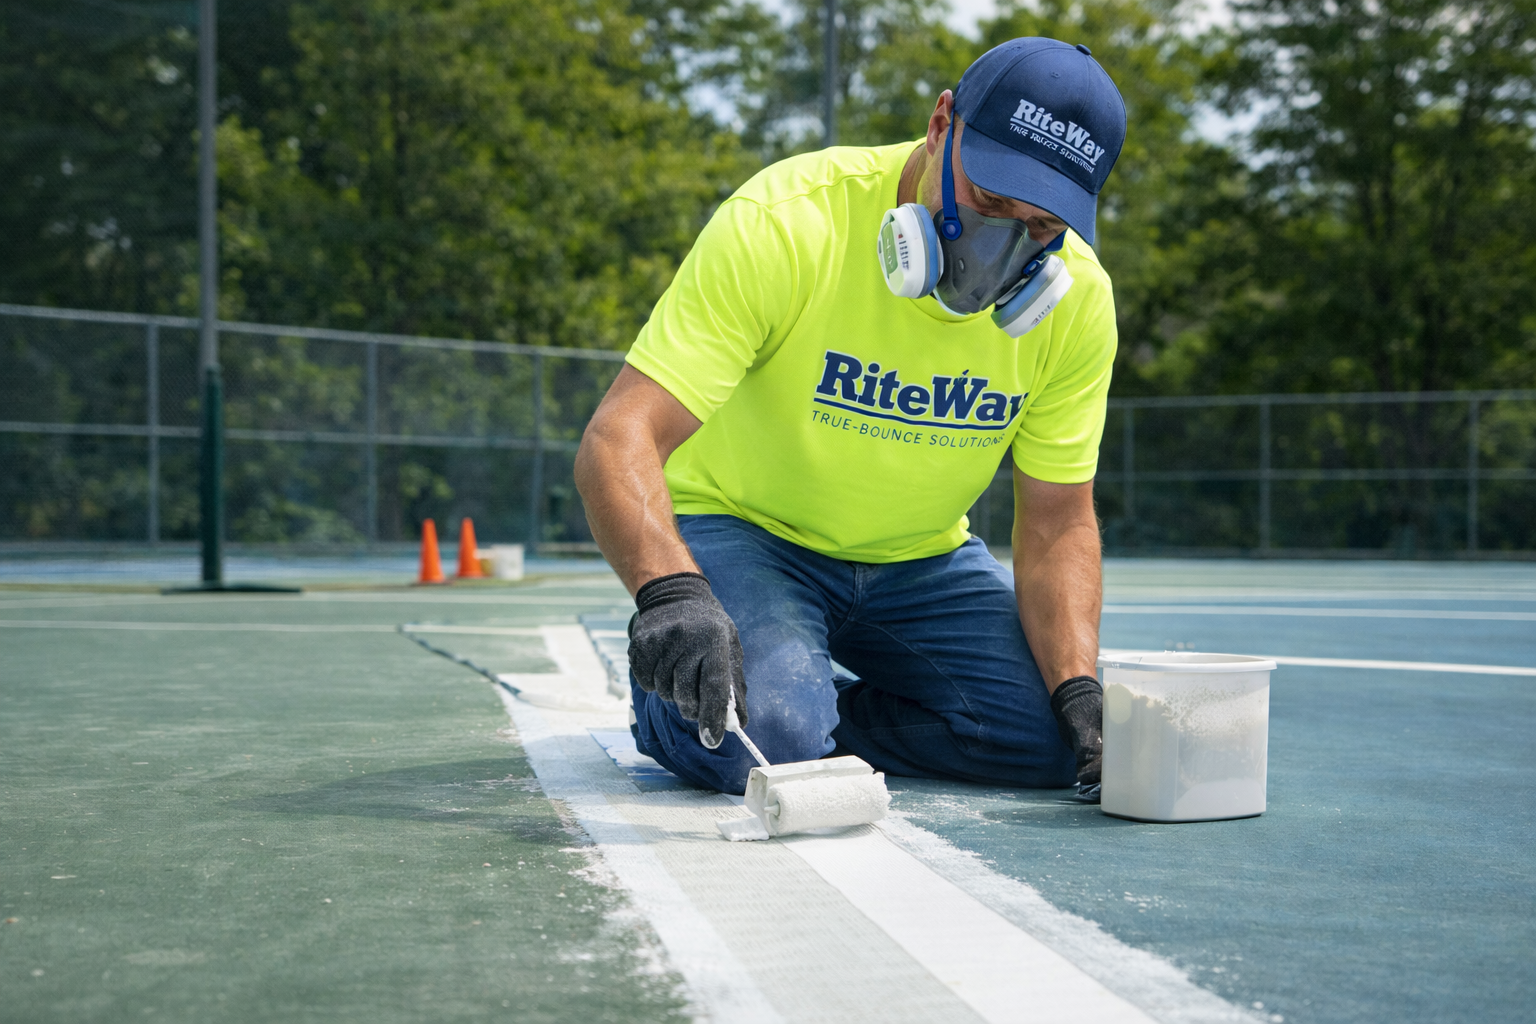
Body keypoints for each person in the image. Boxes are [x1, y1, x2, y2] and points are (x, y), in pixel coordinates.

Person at [574, 37, 1126, 799]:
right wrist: (672, 596)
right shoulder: (790, 222)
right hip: (749, 533)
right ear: (941, 125)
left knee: (1049, 743)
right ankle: (691, 701)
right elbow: (618, 435)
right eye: (992, 201)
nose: (1003, 248)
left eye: (1040, 227)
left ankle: (792, 704)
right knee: (765, 744)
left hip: (920, 562)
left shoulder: (1080, 306)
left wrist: (1077, 689)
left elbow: (1058, 522)